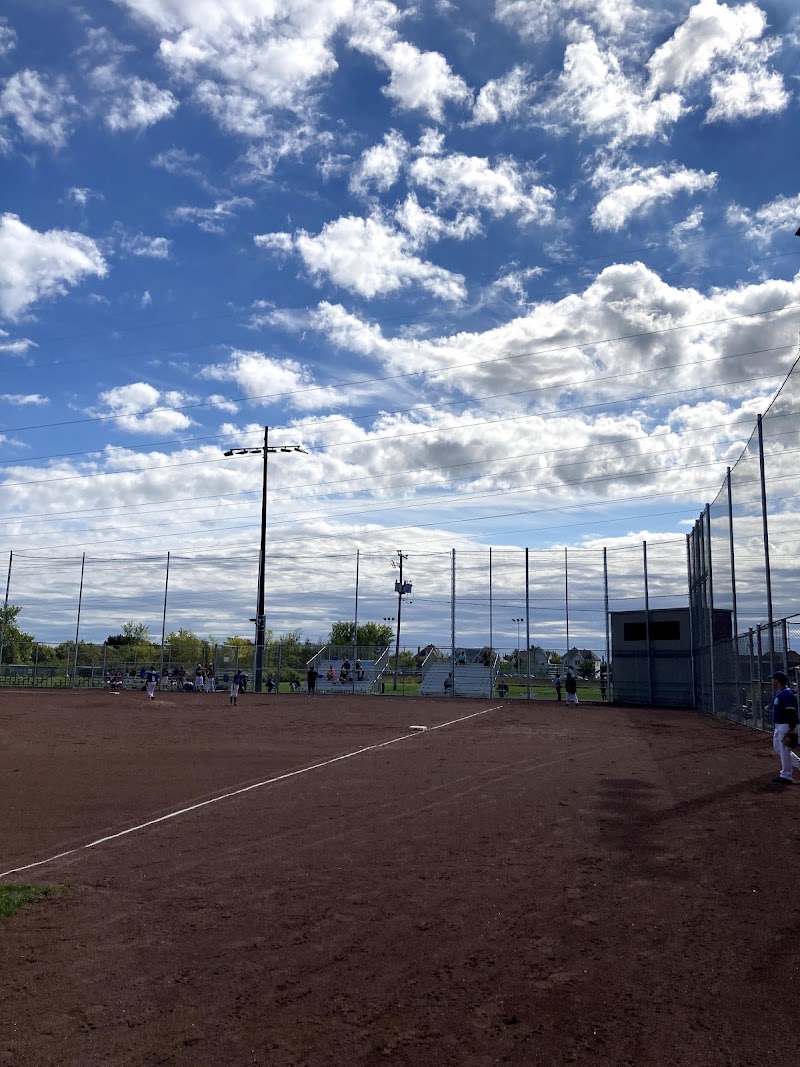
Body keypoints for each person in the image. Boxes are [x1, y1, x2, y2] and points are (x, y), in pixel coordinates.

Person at [770, 671, 800, 785]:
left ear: (778, 681)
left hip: (785, 725)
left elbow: (791, 712)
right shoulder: (780, 693)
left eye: (773, 679)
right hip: (779, 725)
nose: (772, 681)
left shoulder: (787, 694)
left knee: (784, 750)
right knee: (779, 749)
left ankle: (786, 776)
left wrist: (792, 728)